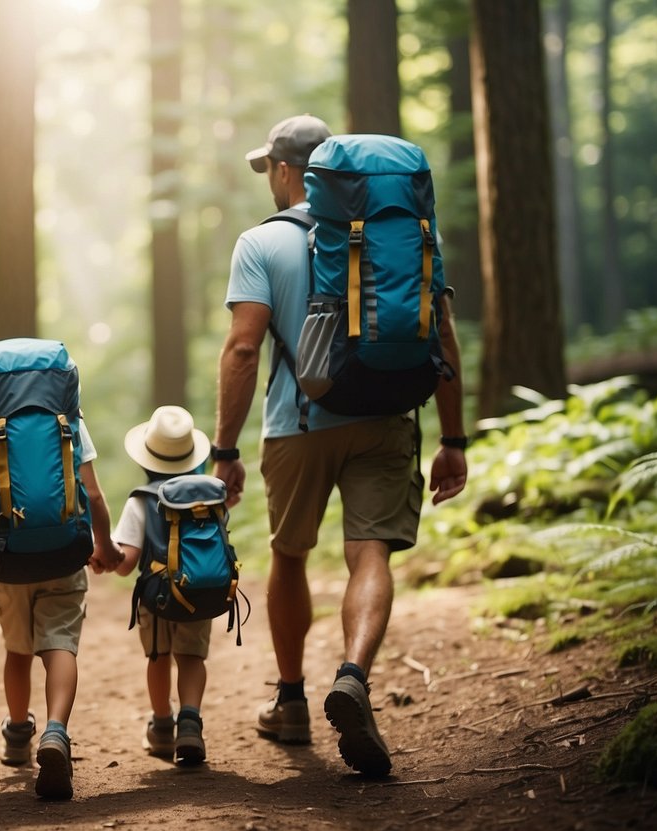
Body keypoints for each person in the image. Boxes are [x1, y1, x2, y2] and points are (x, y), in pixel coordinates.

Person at [212, 114, 469, 777]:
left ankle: (292, 702)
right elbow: (441, 335)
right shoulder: (407, 231)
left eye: (268, 167)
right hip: (387, 412)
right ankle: (353, 673)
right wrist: (453, 437)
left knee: (289, 555)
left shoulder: (259, 243)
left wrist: (224, 450)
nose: (268, 178)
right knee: (369, 551)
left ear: (287, 171)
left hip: (297, 426)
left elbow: (242, 349)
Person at [0, 398, 122, 800]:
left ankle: (16, 732)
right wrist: (106, 545)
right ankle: (56, 731)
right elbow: (93, 495)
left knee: (17, 649)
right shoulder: (68, 423)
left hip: (8, 557)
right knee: (60, 642)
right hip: (64, 555)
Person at [110, 405, 214, 767]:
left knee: (158, 657)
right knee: (191, 657)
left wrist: (103, 556)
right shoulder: (209, 498)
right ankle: (190, 723)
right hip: (200, 592)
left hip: (156, 597)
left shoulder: (141, 499)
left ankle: (162, 725)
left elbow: (125, 563)